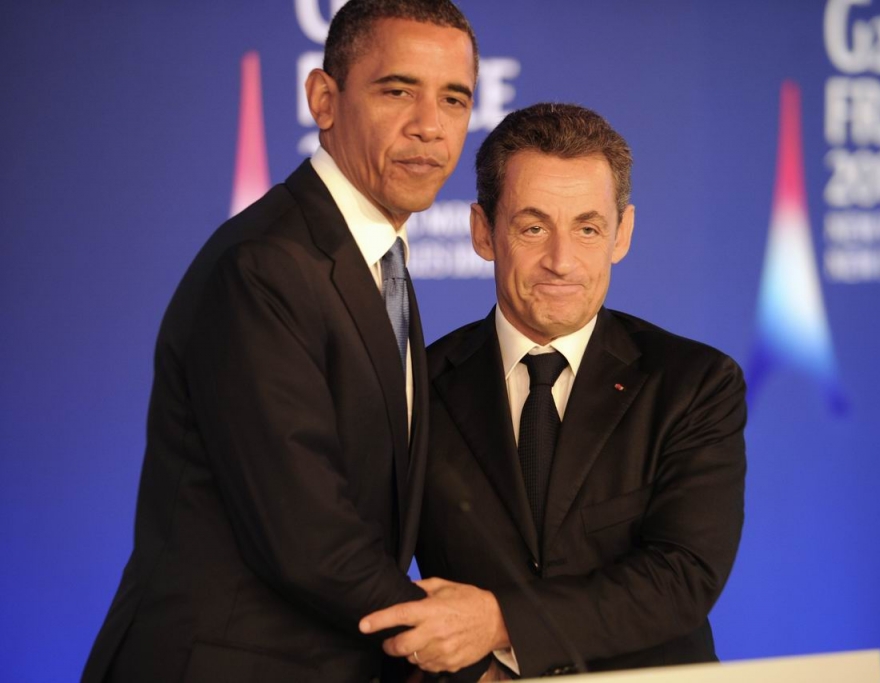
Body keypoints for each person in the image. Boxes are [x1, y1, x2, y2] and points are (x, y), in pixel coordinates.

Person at [81, 1, 477, 681]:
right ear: (323, 99)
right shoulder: (265, 265)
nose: (430, 125)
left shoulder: (376, 261)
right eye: (397, 91)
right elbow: (307, 536)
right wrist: (467, 656)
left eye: (454, 99)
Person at [360, 103, 747, 678]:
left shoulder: (694, 383)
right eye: (533, 228)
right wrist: (470, 669)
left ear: (622, 234)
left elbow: (683, 577)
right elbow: (365, 572)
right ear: (483, 232)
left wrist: (501, 624)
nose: (561, 262)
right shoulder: (416, 387)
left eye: (588, 229)